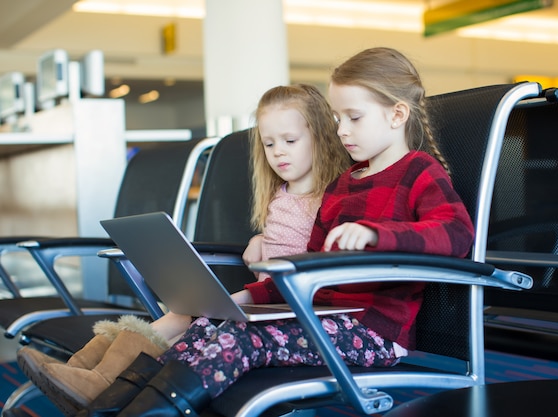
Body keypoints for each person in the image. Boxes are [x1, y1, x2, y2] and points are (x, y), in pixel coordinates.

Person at [76, 46, 475, 417]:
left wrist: (377, 236)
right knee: (213, 326)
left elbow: (457, 234)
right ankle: (114, 405)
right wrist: (247, 296)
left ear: (397, 115)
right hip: (322, 316)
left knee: (244, 341)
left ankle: (154, 411)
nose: (342, 131)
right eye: (338, 119)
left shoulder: (420, 172)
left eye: (354, 117)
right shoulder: (342, 186)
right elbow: (303, 267)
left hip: (372, 331)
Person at [16, 83, 351, 415]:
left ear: (321, 136)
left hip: (286, 307)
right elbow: (286, 237)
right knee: (180, 314)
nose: (278, 151)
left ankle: (97, 383)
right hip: (262, 301)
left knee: (187, 324)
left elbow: (318, 261)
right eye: (269, 143)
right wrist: (260, 239)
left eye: (290, 141)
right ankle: (85, 373)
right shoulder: (282, 194)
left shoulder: (331, 200)